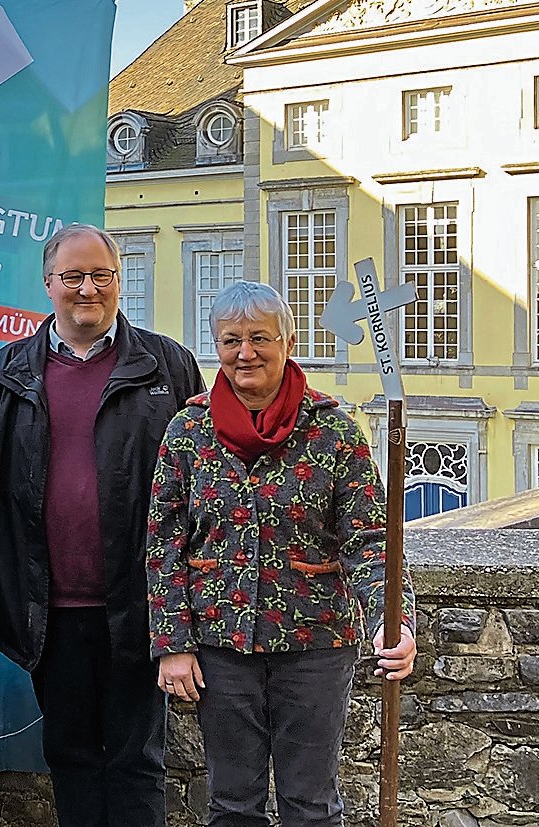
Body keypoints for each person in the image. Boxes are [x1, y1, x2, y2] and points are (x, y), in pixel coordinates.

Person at [148, 280, 418, 827]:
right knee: (232, 805)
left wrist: (396, 620)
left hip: (315, 644)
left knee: (310, 804)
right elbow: (164, 542)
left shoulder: (334, 430)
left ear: (287, 342)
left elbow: (370, 538)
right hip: (219, 645)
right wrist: (171, 643)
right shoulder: (188, 430)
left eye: (259, 338)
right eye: (230, 340)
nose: (245, 353)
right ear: (215, 347)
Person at [0, 224, 204, 827]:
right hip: (50, 610)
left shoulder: (167, 366)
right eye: (73, 276)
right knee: (69, 758)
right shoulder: (4, 374)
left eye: (101, 275)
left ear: (119, 281)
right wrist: (9, 578)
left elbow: (201, 482)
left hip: (140, 605)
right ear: (48, 284)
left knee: (138, 763)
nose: (88, 288)